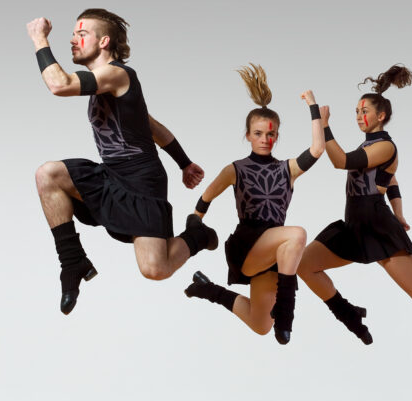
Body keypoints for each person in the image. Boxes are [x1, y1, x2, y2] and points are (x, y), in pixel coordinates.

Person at [28, 9, 217, 314]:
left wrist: (39, 39)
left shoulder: (118, 74)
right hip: (112, 172)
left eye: (81, 34)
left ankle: (197, 235)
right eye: (74, 35)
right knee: (48, 175)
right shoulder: (106, 83)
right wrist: (184, 162)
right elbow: (150, 125)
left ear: (103, 41)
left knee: (155, 269)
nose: (73, 40)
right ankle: (72, 262)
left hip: (142, 179)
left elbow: (59, 84)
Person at [297, 65, 412, 345]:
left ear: (380, 116)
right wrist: (400, 212)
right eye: (357, 112)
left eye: (365, 111)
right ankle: (348, 314)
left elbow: (340, 161)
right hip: (353, 224)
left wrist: (321, 120)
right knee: (304, 265)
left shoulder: (385, 146)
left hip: (376, 226)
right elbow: (391, 180)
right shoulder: (368, 147)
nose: (359, 117)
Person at [183, 64, 326, 345]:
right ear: (248, 135)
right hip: (248, 244)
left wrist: (313, 107)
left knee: (261, 325)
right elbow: (206, 197)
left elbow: (317, 150)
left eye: (270, 134)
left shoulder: (288, 169)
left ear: (277, 136)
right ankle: (287, 312)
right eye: (258, 133)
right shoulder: (235, 169)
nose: (265, 139)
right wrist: (194, 224)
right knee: (297, 233)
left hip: (277, 255)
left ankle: (208, 290)